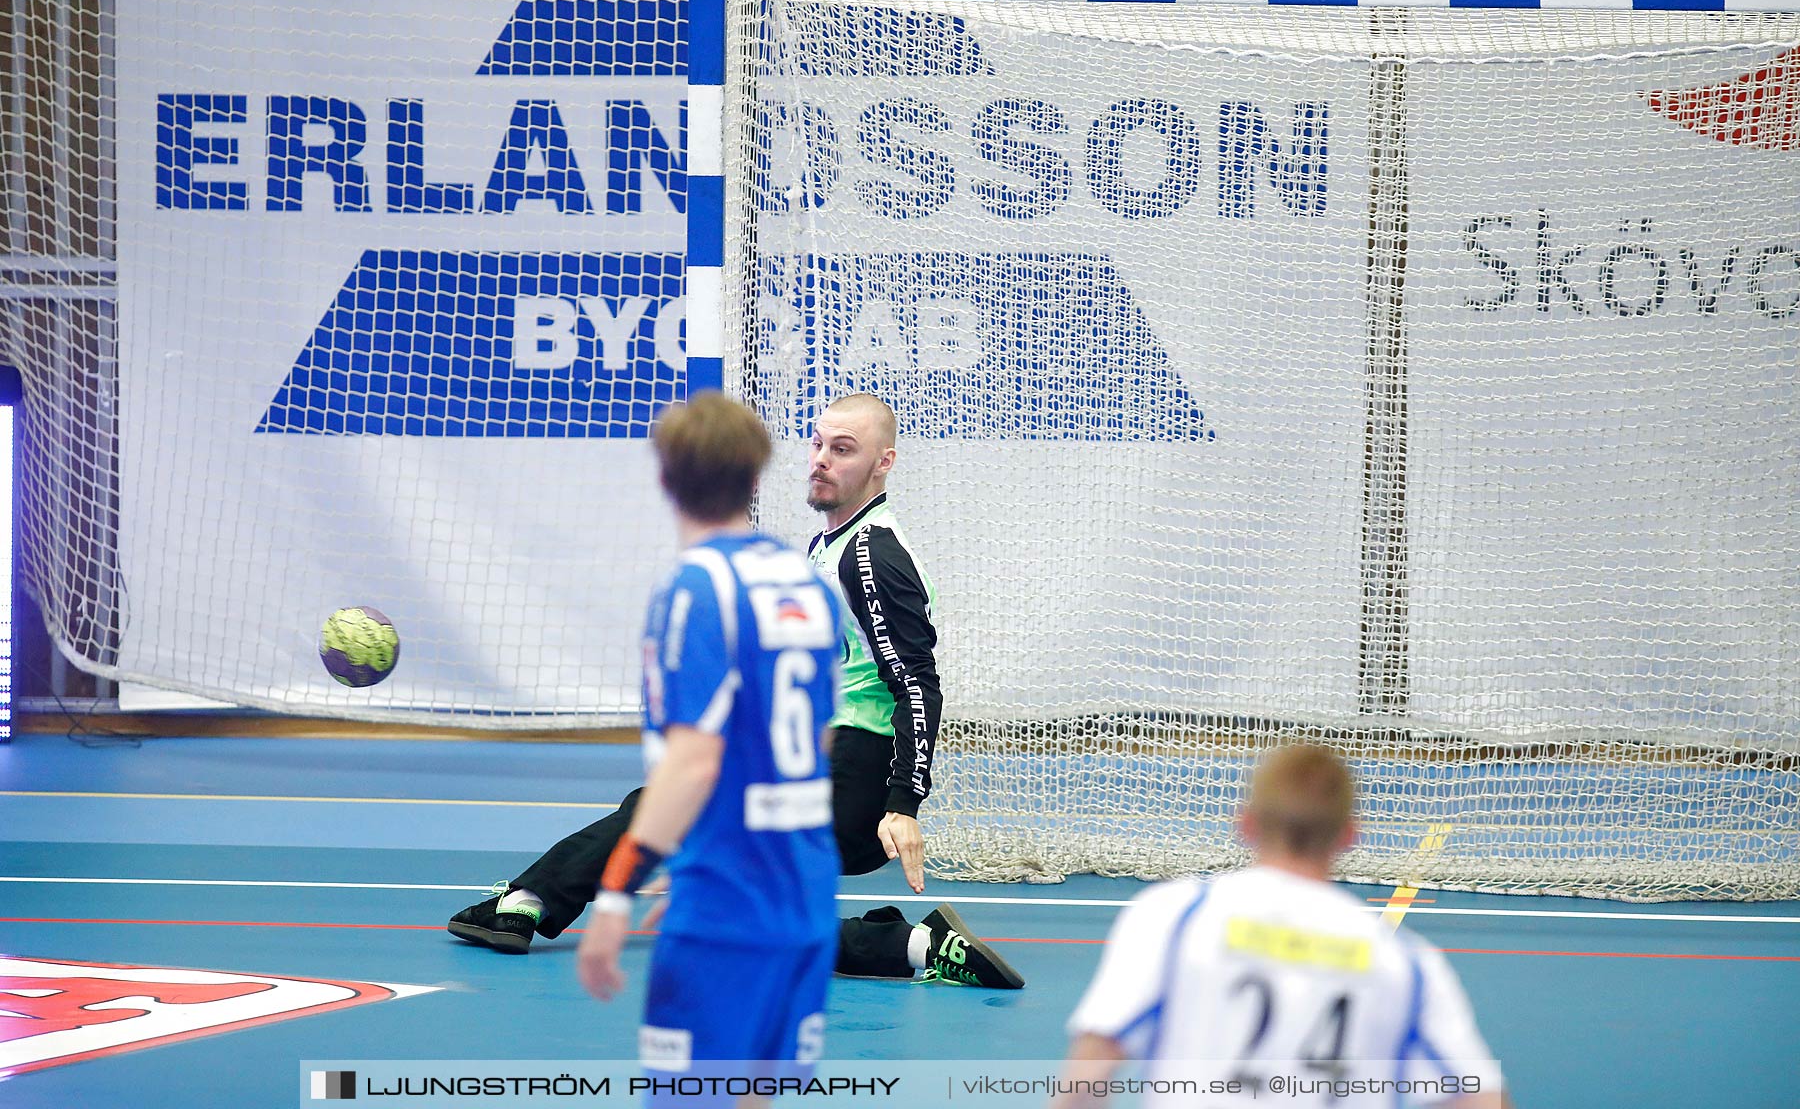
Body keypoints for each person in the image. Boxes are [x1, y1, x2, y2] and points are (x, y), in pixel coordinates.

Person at [451, 392, 1023, 990]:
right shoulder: (831, 544)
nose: (822, 459)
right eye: (819, 443)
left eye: (844, 450)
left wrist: (904, 801)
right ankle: (915, 944)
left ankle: (526, 902)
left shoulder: (870, 555)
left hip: (856, 776)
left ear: (884, 463)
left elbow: (916, 680)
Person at [572, 392, 839, 1082]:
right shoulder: (804, 581)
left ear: (665, 478)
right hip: (807, 892)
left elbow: (692, 763)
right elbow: (822, 736)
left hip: (726, 899)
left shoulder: (694, 589)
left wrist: (613, 897)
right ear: (757, 476)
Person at [1055, 744, 1507, 1109]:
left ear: (1245, 822)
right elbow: (1478, 1097)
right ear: (1350, 834)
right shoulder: (1405, 962)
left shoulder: (1174, 915)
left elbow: (1094, 1064)